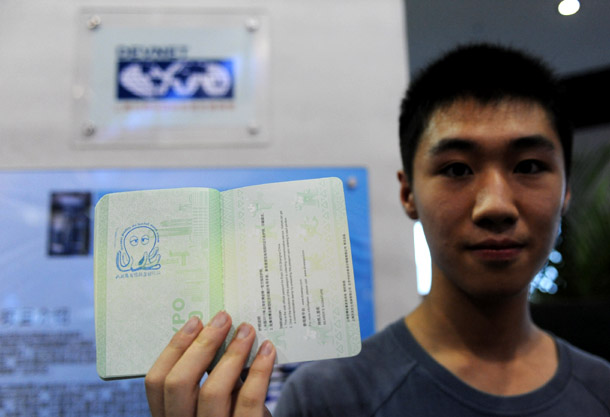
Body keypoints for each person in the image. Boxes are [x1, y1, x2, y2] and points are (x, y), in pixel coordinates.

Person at [145, 43, 610, 417]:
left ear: (566, 190)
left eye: (529, 166)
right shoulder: (327, 397)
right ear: (408, 193)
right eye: (456, 169)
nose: (496, 206)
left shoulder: (602, 390)